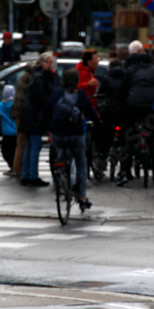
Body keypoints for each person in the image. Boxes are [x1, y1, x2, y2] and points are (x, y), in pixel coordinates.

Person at [49, 69, 101, 210]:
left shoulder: (56, 93)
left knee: (59, 151)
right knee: (81, 163)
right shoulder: (81, 95)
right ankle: (82, 197)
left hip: (57, 135)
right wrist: (98, 123)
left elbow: (48, 110)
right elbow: (91, 112)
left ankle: (59, 174)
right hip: (75, 135)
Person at [117, 40, 154, 186]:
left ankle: (124, 171)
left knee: (127, 136)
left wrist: (121, 103)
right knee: (153, 133)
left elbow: (122, 91)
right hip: (151, 107)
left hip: (133, 106)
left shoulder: (130, 70)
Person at [19, 52, 60, 187]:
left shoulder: (36, 75)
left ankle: (26, 174)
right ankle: (32, 175)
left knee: (30, 145)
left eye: (51, 62)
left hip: (30, 114)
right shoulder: (40, 77)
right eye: (47, 62)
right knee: (35, 145)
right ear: (41, 63)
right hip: (35, 116)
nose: (49, 64)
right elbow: (44, 98)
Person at [94, 58, 125, 163]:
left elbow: (101, 93)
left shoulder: (106, 78)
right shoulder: (126, 77)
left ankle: (102, 155)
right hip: (123, 110)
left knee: (105, 132)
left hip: (109, 110)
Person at [10, 64, 33, 177]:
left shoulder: (24, 76)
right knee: (22, 142)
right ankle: (18, 169)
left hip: (18, 112)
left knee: (21, 142)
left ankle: (18, 168)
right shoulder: (27, 78)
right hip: (22, 113)